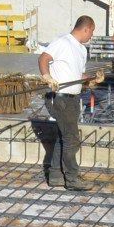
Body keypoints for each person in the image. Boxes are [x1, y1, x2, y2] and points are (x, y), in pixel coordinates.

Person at [37, 16, 97, 191]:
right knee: (72, 139)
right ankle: (72, 179)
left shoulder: (81, 50)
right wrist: (47, 77)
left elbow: (77, 75)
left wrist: (91, 80)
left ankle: (55, 175)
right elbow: (43, 59)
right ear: (86, 28)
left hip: (72, 99)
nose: (92, 36)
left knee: (63, 137)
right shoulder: (63, 42)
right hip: (60, 98)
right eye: (92, 32)